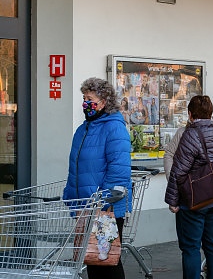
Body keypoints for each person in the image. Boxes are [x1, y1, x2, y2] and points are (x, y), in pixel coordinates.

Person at [64, 77, 132, 279]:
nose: (85, 103)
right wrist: (72, 198)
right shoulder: (83, 129)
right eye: (84, 98)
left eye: (90, 98)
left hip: (103, 208)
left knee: (106, 262)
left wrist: (101, 203)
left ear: (104, 102)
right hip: (85, 206)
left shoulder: (114, 127)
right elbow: (77, 168)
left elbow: (119, 171)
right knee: (93, 260)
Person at [165, 96, 213, 279]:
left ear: (190, 114)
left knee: (191, 248)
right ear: (210, 113)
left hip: (194, 201)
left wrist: (173, 201)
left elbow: (179, 171)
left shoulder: (190, 135)